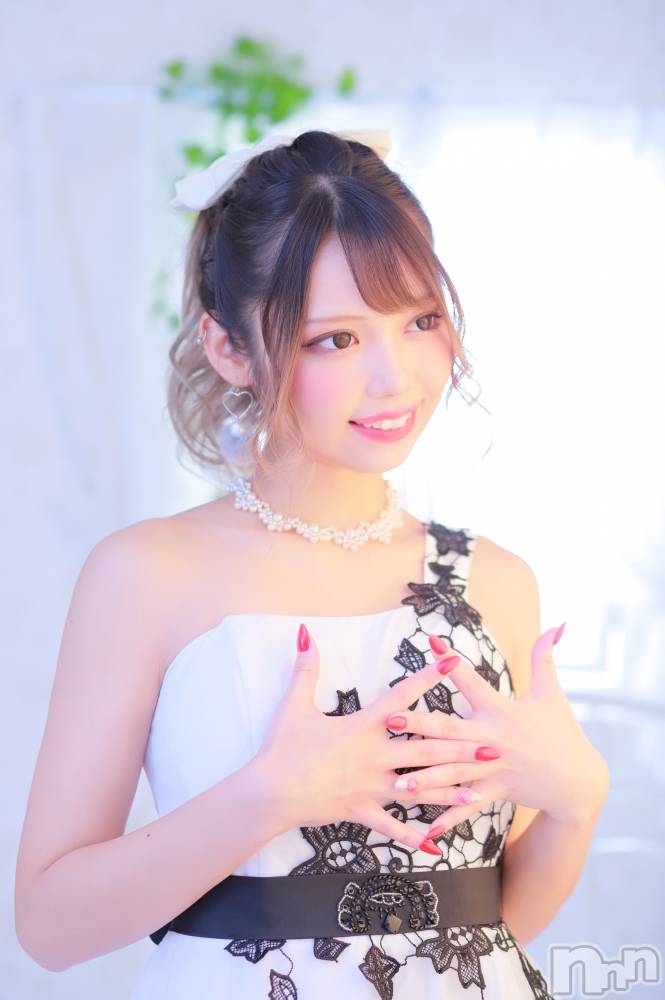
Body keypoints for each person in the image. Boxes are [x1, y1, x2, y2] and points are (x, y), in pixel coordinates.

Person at [15, 128, 610, 999]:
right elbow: (49, 927)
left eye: (419, 321)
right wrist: (266, 797)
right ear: (230, 348)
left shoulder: (494, 583)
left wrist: (578, 798)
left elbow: (492, 925)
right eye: (335, 339)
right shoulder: (147, 574)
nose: (394, 379)